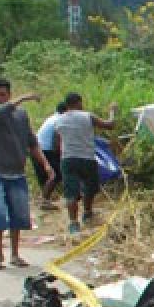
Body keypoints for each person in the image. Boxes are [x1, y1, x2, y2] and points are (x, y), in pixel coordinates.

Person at [0, 78, 54, 270]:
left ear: (9, 94)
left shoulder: (20, 116)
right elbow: (0, 111)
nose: (0, 98)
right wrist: (24, 98)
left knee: (19, 215)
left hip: (17, 173)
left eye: (3, 94)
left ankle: (15, 254)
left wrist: (45, 164)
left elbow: (31, 142)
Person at [53, 92, 116, 234]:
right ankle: (87, 213)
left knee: (71, 193)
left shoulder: (59, 120)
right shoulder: (87, 116)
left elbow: (56, 144)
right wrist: (112, 111)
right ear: (78, 103)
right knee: (90, 187)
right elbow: (110, 125)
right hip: (87, 158)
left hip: (68, 159)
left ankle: (74, 223)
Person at [33, 96, 67, 208]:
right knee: (56, 174)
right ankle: (45, 201)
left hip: (37, 149)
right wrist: (61, 155)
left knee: (47, 176)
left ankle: (45, 199)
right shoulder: (60, 120)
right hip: (46, 150)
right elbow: (56, 142)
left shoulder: (52, 117)